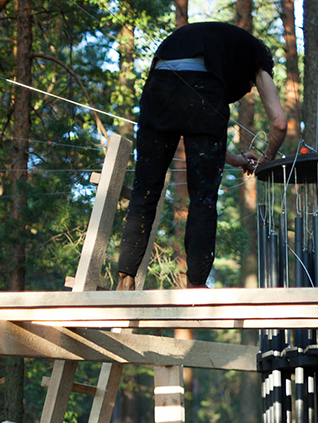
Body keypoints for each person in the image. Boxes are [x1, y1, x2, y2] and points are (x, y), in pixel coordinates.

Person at [117, 21, 287, 290]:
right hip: (203, 88)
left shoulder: (216, 39)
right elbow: (279, 123)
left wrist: (235, 159)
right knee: (202, 197)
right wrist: (267, 158)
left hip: (157, 88)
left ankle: (125, 278)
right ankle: (195, 285)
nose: (248, 90)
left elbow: (199, 134)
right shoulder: (257, 56)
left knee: (145, 190)